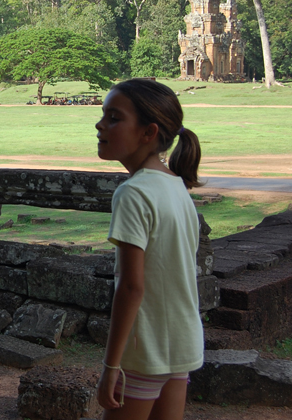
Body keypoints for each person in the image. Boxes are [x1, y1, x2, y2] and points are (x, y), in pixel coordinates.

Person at [94, 79, 204, 420]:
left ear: (148, 132)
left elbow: (132, 287)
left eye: (114, 118)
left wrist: (111, 365)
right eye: (104, 115)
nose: (100, 125)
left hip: (145, 351)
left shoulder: (134, 193)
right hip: (181, 344)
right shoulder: (175, 186)